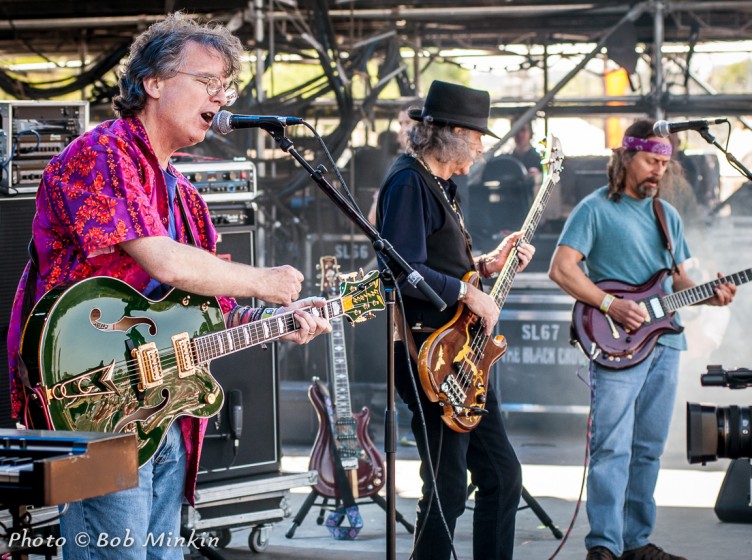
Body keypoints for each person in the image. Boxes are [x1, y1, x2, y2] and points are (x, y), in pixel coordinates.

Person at [6, 13, 331, 559]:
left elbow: (213, 312)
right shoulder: (101, 154)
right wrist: (264, 282)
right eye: (207, 82)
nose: (221, 96)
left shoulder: (186, 197)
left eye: (226, 86)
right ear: (153, 83)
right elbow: (164, 263)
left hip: (165, 411)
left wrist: (281, 322)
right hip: (92, 401)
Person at [548, 118, 736, 560]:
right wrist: (610, 305)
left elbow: (680, 284)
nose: (658, 171)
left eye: (665, 164)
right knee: (612, 445)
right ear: (627, 156)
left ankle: (635, 543)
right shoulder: (595, 209)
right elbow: (562, 269)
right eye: (652, 160)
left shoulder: (667, 217)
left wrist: (713, 296)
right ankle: (604, 547)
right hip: (616, 344)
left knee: (649, 448)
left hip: (666, 345)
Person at [376, 79, 535, 560]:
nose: (483, 148)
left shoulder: (440, 183)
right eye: (477, 136)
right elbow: (400, 270)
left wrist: (486, 265)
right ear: (449, 134)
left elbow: (439, 265)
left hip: (459, 353)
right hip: (428, 354)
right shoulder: (408, 182)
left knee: (501, 475)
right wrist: (469, 291)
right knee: (446, 485)